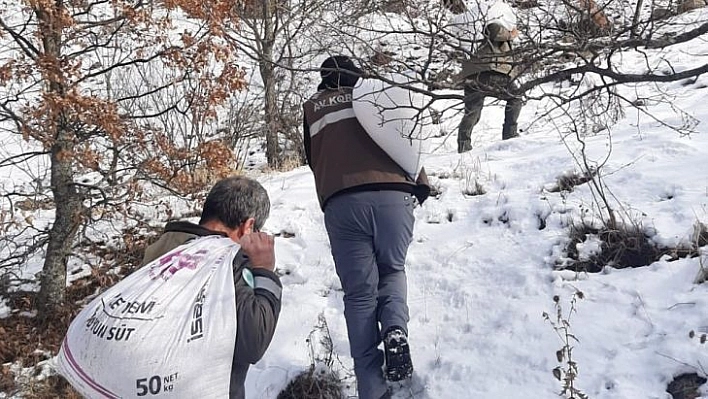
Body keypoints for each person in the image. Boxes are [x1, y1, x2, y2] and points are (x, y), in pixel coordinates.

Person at [303, 55, 431, 399]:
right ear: (358, 75)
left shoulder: (313, 107)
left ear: (324, 80)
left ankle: (372, 390)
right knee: (392, 271)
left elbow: (313, 158)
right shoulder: (379, 94)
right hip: (396, 196)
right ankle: (395, 330)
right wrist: (421, 182)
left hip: (343, 202)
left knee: (359, 295)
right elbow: (407, 139)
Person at [141, 176, 282, 399]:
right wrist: (264, 270)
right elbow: (253, 343)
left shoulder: (162, 248)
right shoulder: (227, 262)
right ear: (248, 226)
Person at [457, 15, 523, 152]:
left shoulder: (483, 38)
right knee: (515, 97)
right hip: (491, 72)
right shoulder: (497, 24)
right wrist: (511, 34)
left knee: (473, 112)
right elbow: (492, 30)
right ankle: (510, 134)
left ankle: (463, 145)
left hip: (473, 74)